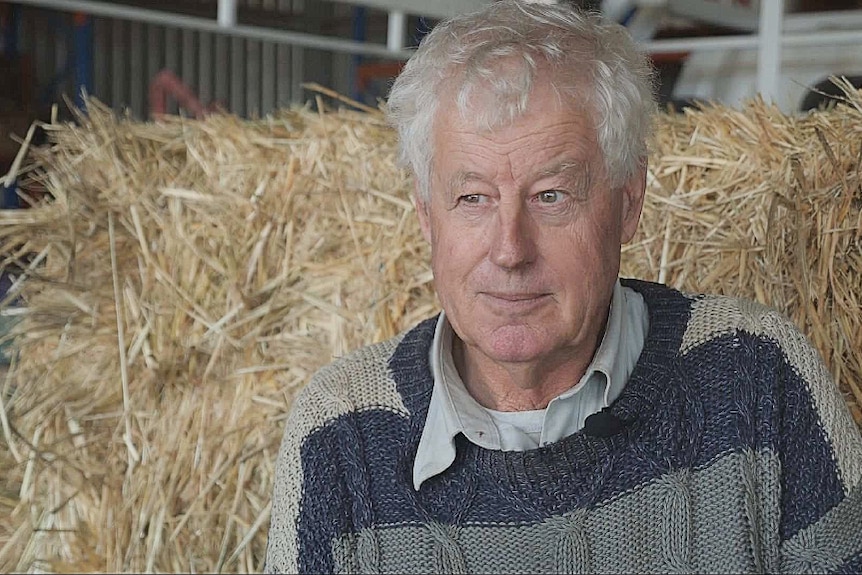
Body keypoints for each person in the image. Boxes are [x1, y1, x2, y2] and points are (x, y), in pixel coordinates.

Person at [265, 1, 862, 573]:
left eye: (551, 196)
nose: (509, 250)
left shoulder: (756, 375)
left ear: (629, 202)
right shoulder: (340, 432)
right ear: (426, 216)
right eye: (472, 198)